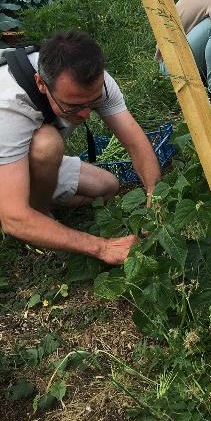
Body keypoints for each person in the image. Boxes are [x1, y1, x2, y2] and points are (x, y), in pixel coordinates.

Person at [0, 30, 161, 265]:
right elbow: (12, 218)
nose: (86, 114)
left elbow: (136, 143)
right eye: (73, 106)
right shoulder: (9, 106)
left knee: (107, 187)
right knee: (47, 144)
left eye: (92, 102)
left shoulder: (94, 81)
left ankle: (37, 210)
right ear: (41, 84)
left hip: (18, 156)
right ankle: (36, 215)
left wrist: (155, 199)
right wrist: (102, 247)